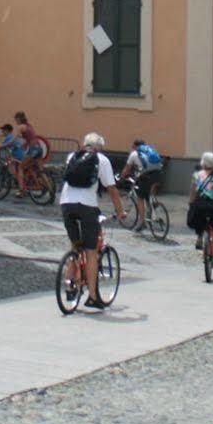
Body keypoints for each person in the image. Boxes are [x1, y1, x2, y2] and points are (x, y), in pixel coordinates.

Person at [57, 132, 126, 310]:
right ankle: (93, 297)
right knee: (90, 251)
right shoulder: (101, 159)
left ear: (84, 144)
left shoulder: (72, 156)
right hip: (87, 206)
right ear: (100, 147)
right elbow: (111, 189)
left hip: (66, 204)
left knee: (75, 246)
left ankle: (69, 284)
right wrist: (120, 211)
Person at [186, 152, 213, 275]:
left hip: (199, 205)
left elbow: (192, 193)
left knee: (198, 219)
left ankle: (200, 236)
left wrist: (190, 203)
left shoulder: (196, 175)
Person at [119, 137, 164, 227]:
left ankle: (142, 222)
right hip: (159, 174)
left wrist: (121, 178)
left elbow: (126, 169)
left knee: (140, 197)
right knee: (150, 189)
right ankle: (152, 202)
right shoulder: (150, 150)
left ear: (134, 146)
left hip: (147, 176)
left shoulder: (134, 154)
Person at [13, 111, 47, 189]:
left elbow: (15, 138)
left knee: (20, 167)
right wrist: (23, 145)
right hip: (39, 148)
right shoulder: (29, 126)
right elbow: (30, 138)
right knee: (40, 171)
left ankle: (21, 191)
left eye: (16, 119)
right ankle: (50, 190)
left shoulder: (21, 126)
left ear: (18, 119)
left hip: (33, 149)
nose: (15, 122)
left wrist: (6, 144)